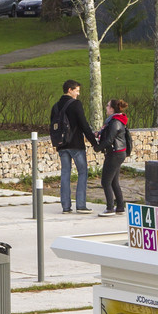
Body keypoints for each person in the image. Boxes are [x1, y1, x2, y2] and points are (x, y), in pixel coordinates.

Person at [50, 79, 97, 214]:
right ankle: (81, 205)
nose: (78, 94)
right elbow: (84, 125)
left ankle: (66, 206)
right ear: (69, 90)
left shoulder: (55, 106)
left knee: (65, 173)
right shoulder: (75, 104)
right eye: (77, 90)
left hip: (62, 145)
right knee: (82, 172)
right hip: (76, 144)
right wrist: (94, 143)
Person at [96, 99, 131, 217]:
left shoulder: (115, 122)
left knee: (105, 181)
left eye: (107, 106)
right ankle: (120, 207)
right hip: (119, 153)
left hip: (114, 154)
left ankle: (110, 208)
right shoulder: (116, 120)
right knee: (114, 181)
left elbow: (109, 140)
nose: (106, 107)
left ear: (112, 109)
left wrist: (98, 147)